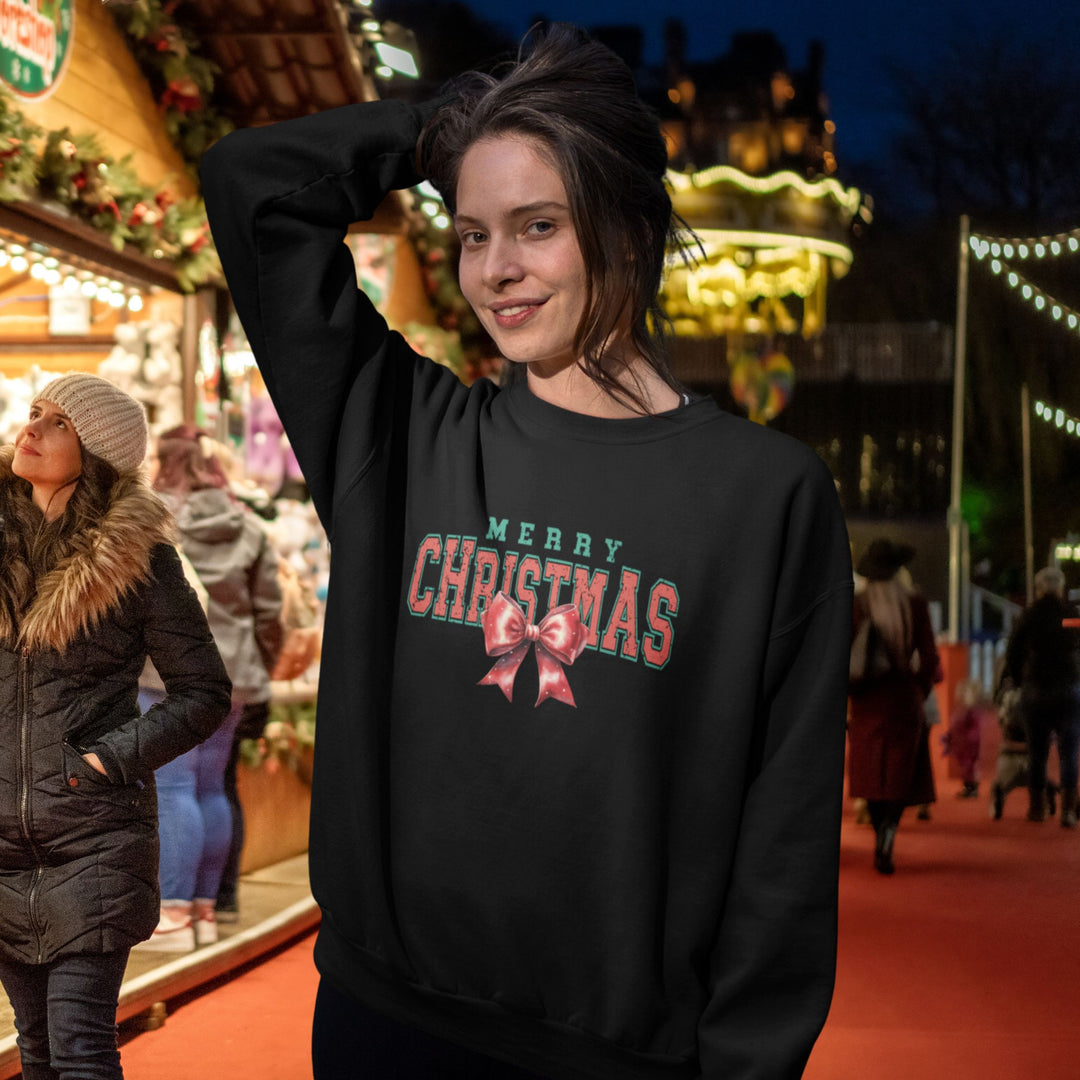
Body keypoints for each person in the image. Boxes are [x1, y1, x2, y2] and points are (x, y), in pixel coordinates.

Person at [201, 24, 853, 1079]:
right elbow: (250, 183)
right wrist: (453, 125)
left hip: (616, 1059)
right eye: (470, 233)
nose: (495, 270)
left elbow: (782, 838)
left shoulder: (766, 495)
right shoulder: (401, 438)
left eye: (538, 225)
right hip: (383, 1028)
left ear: (627, 229)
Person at [0, 373, 231, 1079]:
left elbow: (202, 692)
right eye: (34, 413)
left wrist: (104, 762)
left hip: (95, 837)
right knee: (34, 1048)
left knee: (79, 1046)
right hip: (3, 846)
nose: (31, 430)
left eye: (57, 423)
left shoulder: (139, 561)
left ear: (96, 452)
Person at [136, 425, 283, 949]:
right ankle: (202, 910)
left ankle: (172, 916)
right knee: (210, 787)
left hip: (167, 673)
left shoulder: (151, 520)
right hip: (236, 674)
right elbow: (269, 612)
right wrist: (258, 665)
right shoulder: (248, 524)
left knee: (173, 789)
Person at [847, 538, 940, 874]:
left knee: (869, 773)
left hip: (866, 701)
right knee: (900, 772)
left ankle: (877, 832)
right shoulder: (915, 604)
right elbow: (929, 657)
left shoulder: (856, 604)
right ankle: (890, 830)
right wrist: (920, 688)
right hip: (903, 698)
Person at [1000, 565, 1080, 828]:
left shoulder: (1029, 615)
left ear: (1039, 588)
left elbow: (1013, 652)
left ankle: (1037, 808)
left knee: (1037, 751)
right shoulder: (1071, 614)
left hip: (1036, 690)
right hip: (1069, 689)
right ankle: (1068, 811)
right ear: (1060, 587)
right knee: (1070, 751)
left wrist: (1020, 680)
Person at [941, 678, 984, 798]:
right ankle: (967, 786)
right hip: (961, 745)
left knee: (969, 766)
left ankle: (972, 787)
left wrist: (969, 740)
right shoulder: (960, 711)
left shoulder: (971, 711)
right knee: (964, 767)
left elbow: (974, 729)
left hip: (969, 744)